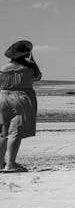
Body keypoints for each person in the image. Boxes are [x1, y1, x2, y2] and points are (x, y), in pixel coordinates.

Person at [0, 40, 41, 172]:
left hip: (3, 98)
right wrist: (33, 61)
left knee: (3, 132)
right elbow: (38, 77)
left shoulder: (3, 69)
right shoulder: (29, 69)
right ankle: (11, 163)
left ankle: (1, 162)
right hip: (21, 99)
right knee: (15, 132)